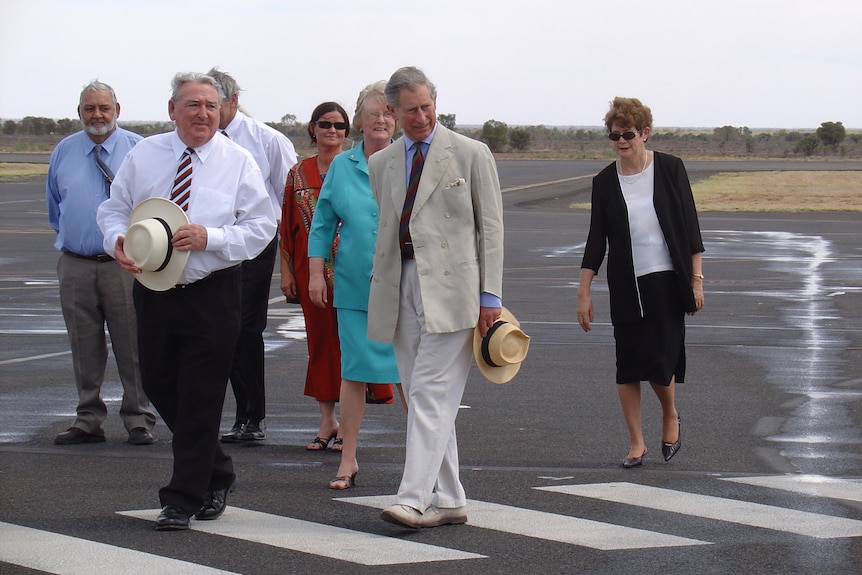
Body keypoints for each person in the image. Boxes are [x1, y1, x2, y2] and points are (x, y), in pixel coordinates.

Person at [97, 72, 276, 531]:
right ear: (172, 109)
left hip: (212, 294)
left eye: (210, 106)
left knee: (201, 396)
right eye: (192, 105)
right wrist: (118, 239)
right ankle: (216, 469)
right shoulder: (145, 154)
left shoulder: (237, 161)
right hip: (154, 290)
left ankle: (182, 498)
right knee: (158, 384)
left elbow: (261, 226)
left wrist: (210, 237)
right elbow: (114, 207)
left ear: (222, 110)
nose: (203, 114)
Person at [368, 67, 504, 528]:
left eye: (428, 106)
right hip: (400, 285)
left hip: (455, 290)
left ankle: (412, 497)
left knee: (429, 391)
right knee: (423, 395)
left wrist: (490, 296)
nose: (422, 116)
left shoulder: (470, 154)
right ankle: (450, 499)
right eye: (412, 110)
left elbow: (492, 229)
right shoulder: (381, 163)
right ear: (393, 112)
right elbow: (388, 229)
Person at [576, 97, 705, 469]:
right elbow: (595, 240)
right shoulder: (604, 181)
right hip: (626, 283)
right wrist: (583, 291)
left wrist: (696, 280)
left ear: (644, 133)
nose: (621, 141)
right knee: (628, 363)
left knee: (660, 359)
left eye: (628, 134)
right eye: (614, 135)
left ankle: (670, 413)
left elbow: (690, 228)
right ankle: (636, 443)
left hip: (667, 279)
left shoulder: (669, 168)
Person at [46, 80, 156, 446]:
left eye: (103, 108)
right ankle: (88, 418)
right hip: (75, 264)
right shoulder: (63, 151)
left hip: (125, 266)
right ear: (79, 113)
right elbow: (55, 207)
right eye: (89, 108)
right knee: (83, 344)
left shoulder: (139, 150)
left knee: (133, 342)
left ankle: (138, 417)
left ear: (117, 110)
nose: (97, 115)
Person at [307, 82, 403, 490]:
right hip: (352, 283)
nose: (380, 120)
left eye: (387, 112)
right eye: (371, 113)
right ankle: (347, 459)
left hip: (405, 285)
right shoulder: (343, 166)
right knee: (353, 372)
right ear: (358, 121)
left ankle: (427, 460)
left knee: (412, 374)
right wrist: (314, 273)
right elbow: (323, 222)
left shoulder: (410, 159)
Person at [207, 67, 298, 443]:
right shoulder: (200, 141)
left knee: (245, 329)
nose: (207, 112)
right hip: (210, 245)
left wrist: (288, 261)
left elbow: (289, 199)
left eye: (214, 104)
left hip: (253, 248)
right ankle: (220, 413)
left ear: (233, 101)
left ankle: (251, 415)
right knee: (212, 331)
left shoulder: (267, 141)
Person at [279, 102, 349, 452]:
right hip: (312, 274)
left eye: (339, 126)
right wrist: (287, 271)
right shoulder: (297, 173)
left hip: (352, 273)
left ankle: (349, 425)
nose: (331, 131)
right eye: (325, 124)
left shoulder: (358, 168)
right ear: (313, 128)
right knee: (320, 345)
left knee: (351, 346)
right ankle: (327, 420)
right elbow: (287, 226)